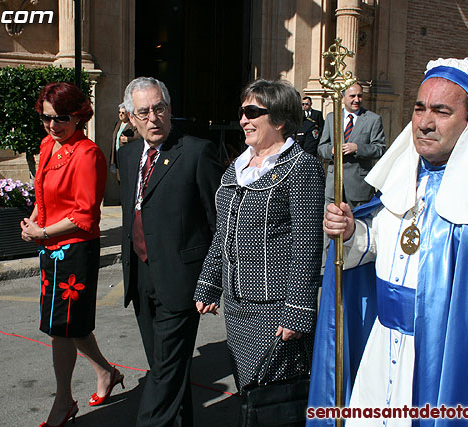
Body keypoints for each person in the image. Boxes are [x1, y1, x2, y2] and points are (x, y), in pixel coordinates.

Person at [308, 58, 468, 425]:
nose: (424, 122)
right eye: (419, 108)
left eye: (441, 111)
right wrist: (354, 233)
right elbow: (379, 246)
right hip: (380, 350)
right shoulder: (403, 181)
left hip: (444, 365)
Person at [194, 79, 324, 393]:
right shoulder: (236, 168)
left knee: (273, 400)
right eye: (242, 112)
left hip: (275, 308)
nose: (243, 120)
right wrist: (209, 285)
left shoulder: (301, 167)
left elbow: (307, 245)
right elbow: (222, 233)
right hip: (237, 308)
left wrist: (297, 311)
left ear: (279, 120)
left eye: (252, 112)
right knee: (248, 395)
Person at [118, 77, 222, 427]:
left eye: (159, 108)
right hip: (141, 276)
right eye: (143, 112)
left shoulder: (196, 152)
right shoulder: (128, 154)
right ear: (131, 118)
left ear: (170, 109)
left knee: (163, 374)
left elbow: (218, 221)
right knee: (168, 370)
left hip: (181, 280)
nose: (153, 118)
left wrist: (213, 280)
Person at [20, 82, 123, 427]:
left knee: (61, 328)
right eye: (46, 118)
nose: (52, 125)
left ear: (79, 116)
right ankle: (107, 372)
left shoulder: (88, 154)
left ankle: (63, 402)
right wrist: (33, 222)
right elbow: (44, 194)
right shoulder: (49, 145)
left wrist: (43, 232)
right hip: (50, 246)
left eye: (61, 118)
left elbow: (84, 215)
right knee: (70, 325)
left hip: (75, 250)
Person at [318, 83, 386, 209]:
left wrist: (358, 148)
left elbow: (380, 148)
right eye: (352, 96)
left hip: (358, 189)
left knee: (358, 227)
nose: (357, 100)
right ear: (343, 98)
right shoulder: (332, 118)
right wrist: (331, 151)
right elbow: (321, 147)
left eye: (360, 96)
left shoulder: (373, 119)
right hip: (334, 187)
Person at [108, 103, 140, 184]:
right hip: (117, 157)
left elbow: (139, 138)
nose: (120, 115)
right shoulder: (118, 124)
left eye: (123, 113)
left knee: (128, 182)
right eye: (119, 112)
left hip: (128, 158)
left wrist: (128, 139)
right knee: (120, 181)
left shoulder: (133, 125)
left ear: (128, 114)